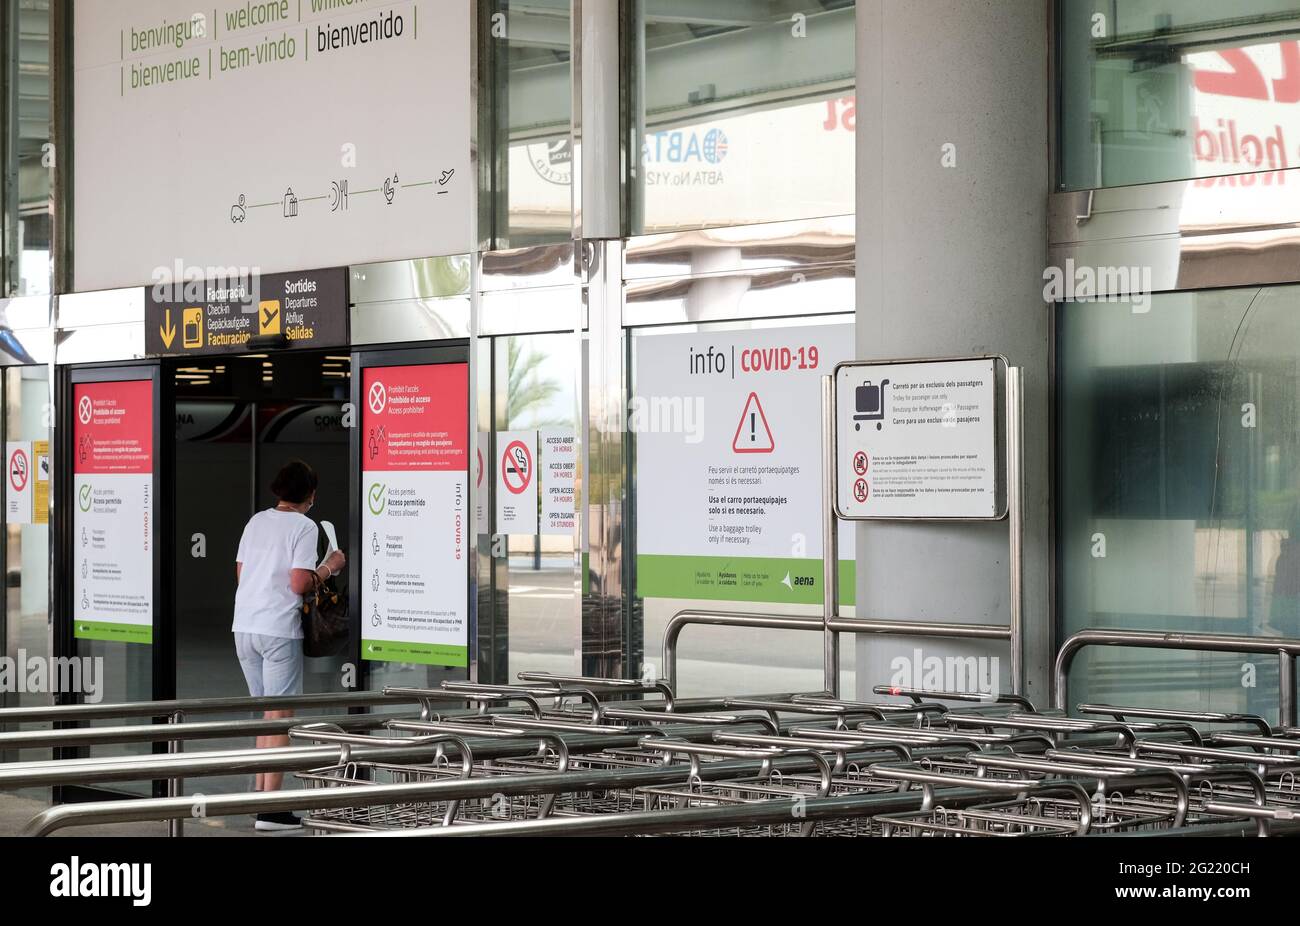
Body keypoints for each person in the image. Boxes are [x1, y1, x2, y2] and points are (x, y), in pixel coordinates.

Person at [232, 459, 345, 831]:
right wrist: (331, 566)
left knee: (267, 715)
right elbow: (299, 582)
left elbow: (241, 572)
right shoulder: (303, 526)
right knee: (281, 718)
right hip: (278, 628)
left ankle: (264, 800)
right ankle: (272, 812)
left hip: (245, 626)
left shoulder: (255, 521)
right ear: (310, 495)